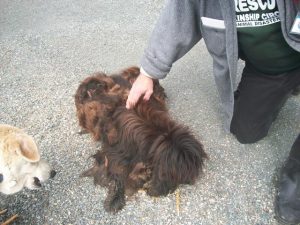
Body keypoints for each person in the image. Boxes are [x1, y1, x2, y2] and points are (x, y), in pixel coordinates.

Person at [126, 0, 300, 224]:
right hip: (269, 71)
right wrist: (148, 73)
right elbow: (178, 18)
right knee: (246, 130)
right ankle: (287, 86)